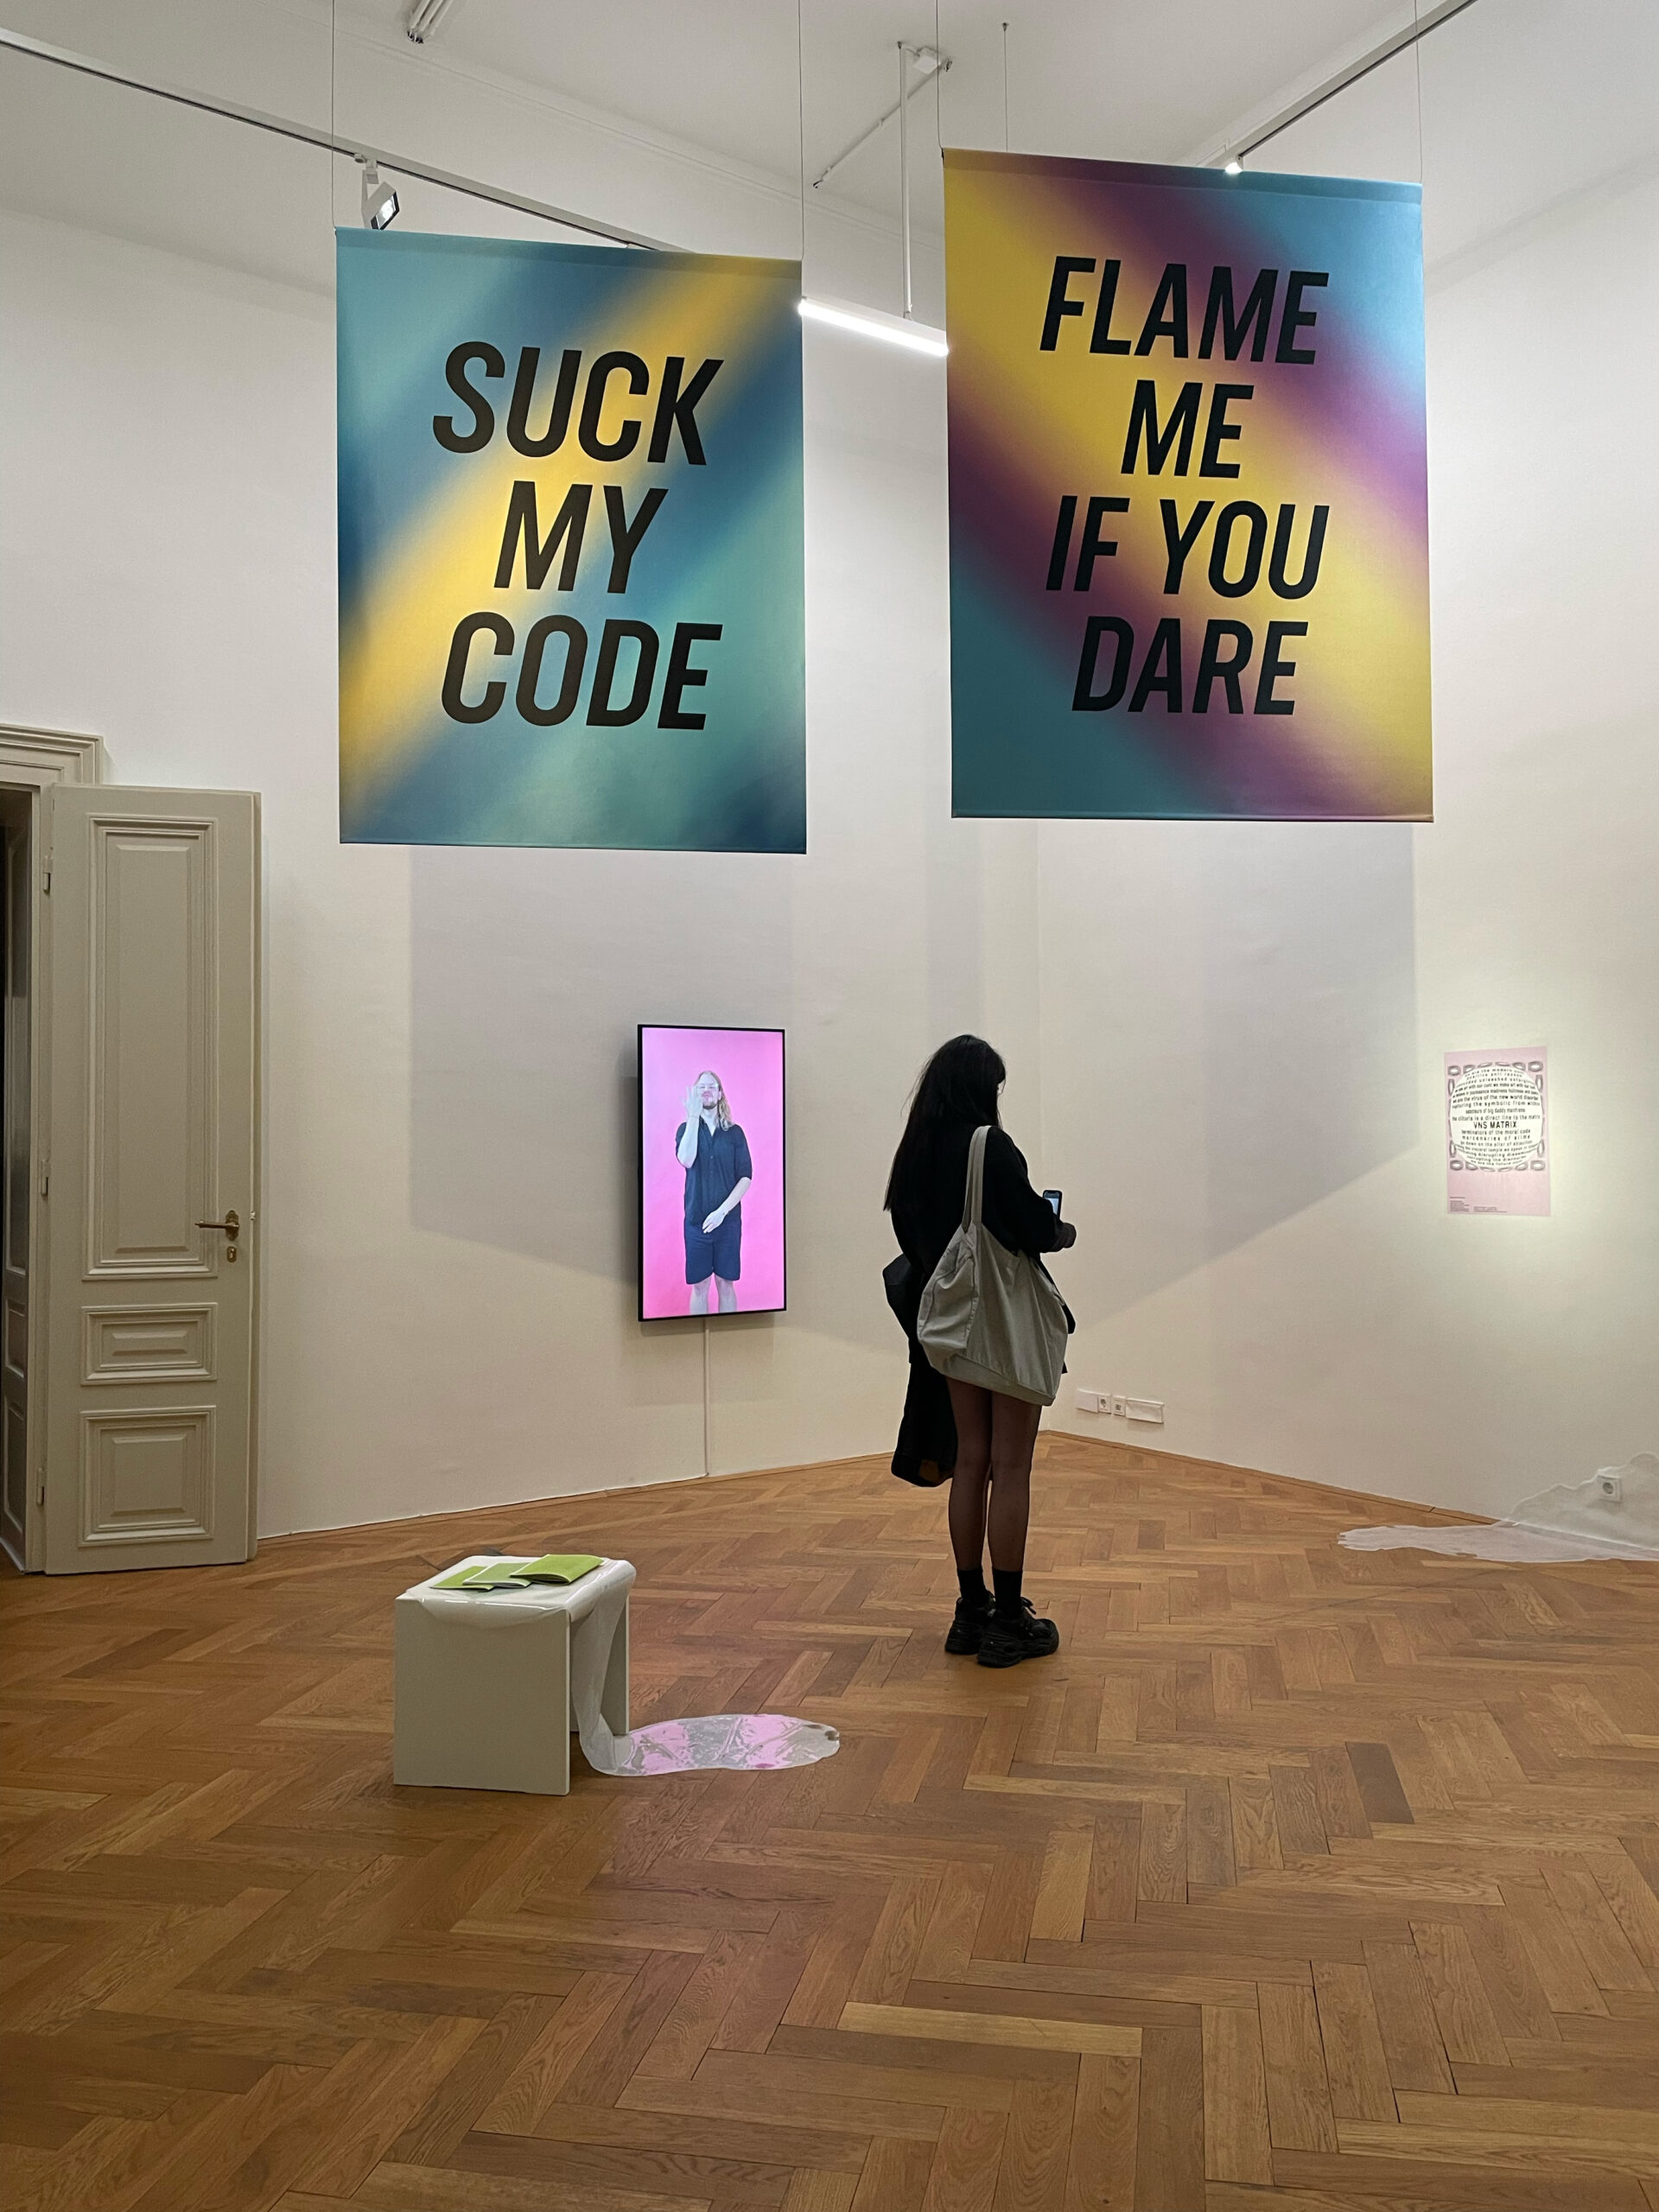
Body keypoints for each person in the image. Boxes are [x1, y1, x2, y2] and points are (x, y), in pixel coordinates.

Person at [885, 1034, 1077, 1667]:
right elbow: (1032, 1228)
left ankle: (970, 1612)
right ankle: (1008, 1621)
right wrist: (1061, 1228)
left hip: (949, 1330)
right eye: (994, 1086)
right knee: (1011, 1466)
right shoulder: (986, 1145)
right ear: (980, 1088)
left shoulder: (914, 1154)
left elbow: (912, 1239)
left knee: (971, 1460)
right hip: (1002, 1328)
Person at [676, 1070, 752, 1315]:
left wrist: (722, 1212)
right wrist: (693, 1116)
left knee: (725, 1284)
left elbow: (746, 1177)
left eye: (712, 1086)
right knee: (700, 1287)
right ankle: (696, 1332)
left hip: (728, 1223)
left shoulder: (735, 1133)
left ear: (720, 1094)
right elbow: (686, 1159)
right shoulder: (685, 1129)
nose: (706, 1090)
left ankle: (727, 1334)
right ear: (696, 1094)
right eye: (701, 1087)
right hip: (696, 1222)